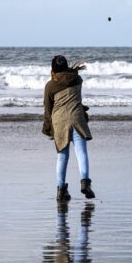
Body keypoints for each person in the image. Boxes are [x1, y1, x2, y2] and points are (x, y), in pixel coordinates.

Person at [43, 55, 95, 202]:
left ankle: (61, 190)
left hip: (59, 121)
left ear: (53, 68)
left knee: (62, 156)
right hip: (77, 118)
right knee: (81, 152)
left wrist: (48, 128)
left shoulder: (50, 86)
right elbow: (75, 98)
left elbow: (48, 109)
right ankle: (85, 182)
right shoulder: (77, 80)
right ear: (66, 66)